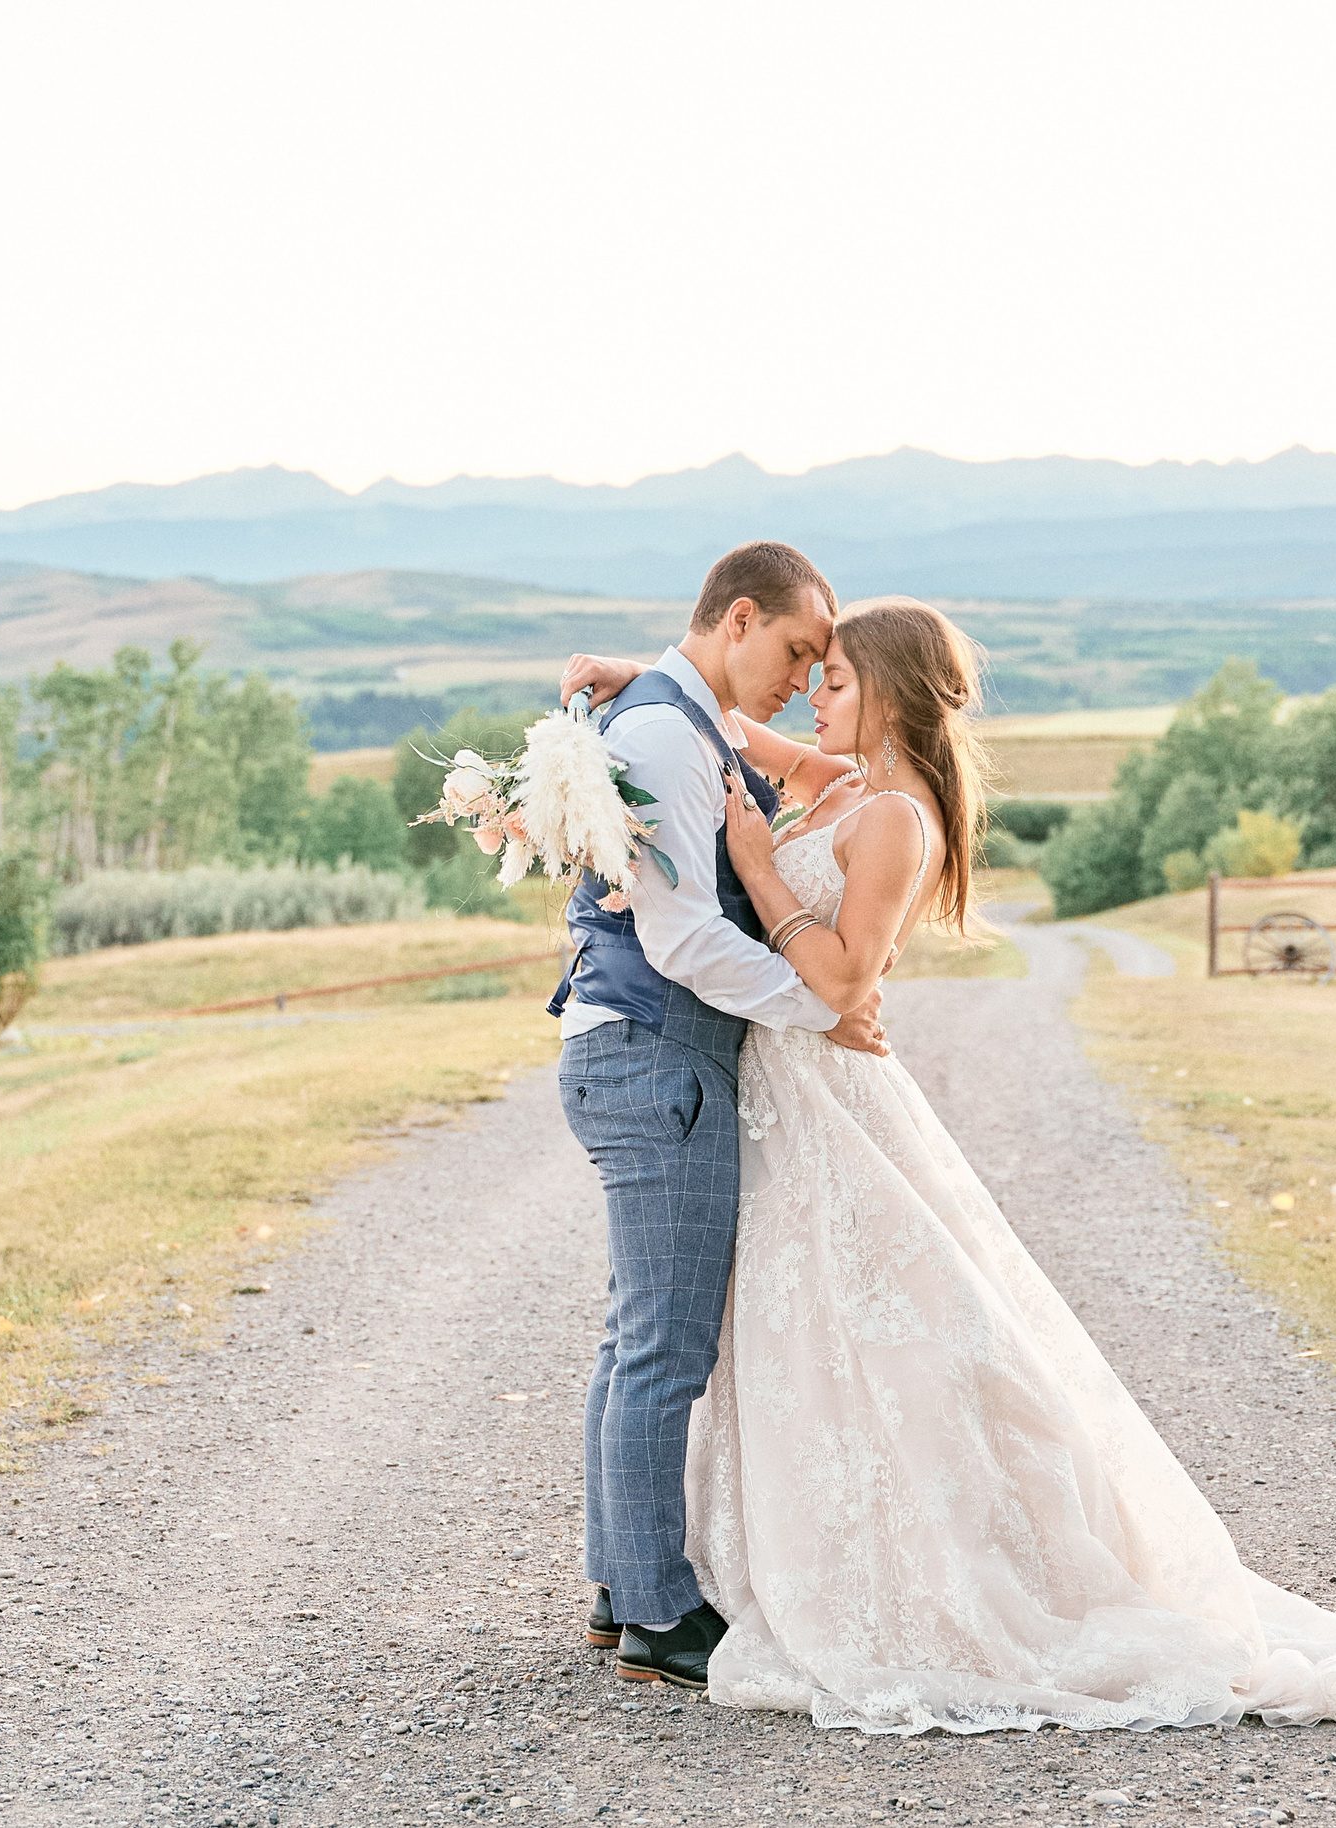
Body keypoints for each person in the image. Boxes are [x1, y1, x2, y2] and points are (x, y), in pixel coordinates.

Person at [560, 599, 1336, 1734]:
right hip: (777, 1093)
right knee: (764, 1334)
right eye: (813, 671)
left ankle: (901, 1569)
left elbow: (846, 981)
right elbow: (726, 732)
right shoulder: (840, 780)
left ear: (894, 694)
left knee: (869, 1332)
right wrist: (652, 676)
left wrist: (761, 870)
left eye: (838, 679)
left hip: (823, 1092)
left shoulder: (897, 819)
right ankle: (682, 1570)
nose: (815, 693)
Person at [548, 540, 891, 1692]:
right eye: (794, 651)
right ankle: (658, 1612)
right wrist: (819, 1007)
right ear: (738, 618)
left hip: (639, 1055)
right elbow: (683, 936)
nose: (799, 680)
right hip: (658, 1057)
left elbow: (744, 740)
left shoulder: (681, 719)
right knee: (663, 1349)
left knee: (634, 1339)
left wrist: (632, 669)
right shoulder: (663, 734)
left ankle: (620, 1586)